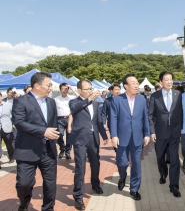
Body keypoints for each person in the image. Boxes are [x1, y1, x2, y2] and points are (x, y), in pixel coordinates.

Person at [12, 72, 59, 211]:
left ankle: (48, 208)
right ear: (37, 86)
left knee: (50, 184)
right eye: (48, 85)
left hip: (48, 150)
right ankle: (24, 204)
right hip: (27, 150)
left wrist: (54, 136)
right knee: (24, 183)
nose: (51, 87)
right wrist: (43, 131)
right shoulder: (21, 101)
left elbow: (53, 122)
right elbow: (19, 123)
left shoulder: (51, 102)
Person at [68, 79, 108, 210]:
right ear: (79, 90)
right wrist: (88, 99)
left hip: (93, 138)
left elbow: (98, 121)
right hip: (80, 139)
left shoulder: (95, 104)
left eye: (90, 88)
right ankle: (78, 196)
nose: (90, 91)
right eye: (87, 89)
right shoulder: (74, 102)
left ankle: (95, 185)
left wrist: (104, 136)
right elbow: (74, 109)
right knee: (80, 167)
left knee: (96, 163)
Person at [109, 74, 150, 200]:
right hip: (122, 137)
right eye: (133, 83)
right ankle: (122, 177)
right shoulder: (116, 100)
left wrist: (147, 134)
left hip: (137, 137)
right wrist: (114, 135)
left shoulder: (142, 100)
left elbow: (145, 118)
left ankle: (134, 189)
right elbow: (113, 119)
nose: (137, 85)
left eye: (137, 83)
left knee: (136, 165)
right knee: (123, 163)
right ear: (125, 86)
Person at [149, 71, 183, 198]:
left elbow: (181, 112)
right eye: (166, 79)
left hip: (174, 133)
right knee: (159, 157)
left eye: (171, 79)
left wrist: (181, 128)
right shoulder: (155, 96)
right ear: (161, 82)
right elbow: (150, 115)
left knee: (174, 160)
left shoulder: (178, 94)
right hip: (160, 133)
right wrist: (152, 132)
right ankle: (163, 173)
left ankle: (174, 186)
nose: (169, 82)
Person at [54, 83, 79, 159]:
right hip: (60, 119)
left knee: (69, 137)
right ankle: (62, 148)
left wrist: (71, 88)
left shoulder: (71, 98)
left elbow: (79, 97)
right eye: (63, 89)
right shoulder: (56, 99)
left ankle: (67, 152)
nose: (64, 90)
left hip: (69, 119)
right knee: (59, 135)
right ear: (60, 90)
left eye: (66, 89)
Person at [0, 92, 15, 169]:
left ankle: (11, 157)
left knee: (9, 144)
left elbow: (14, 115)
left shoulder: (8, 105)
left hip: (6, 127)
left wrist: (14, 123)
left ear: (1, 96)